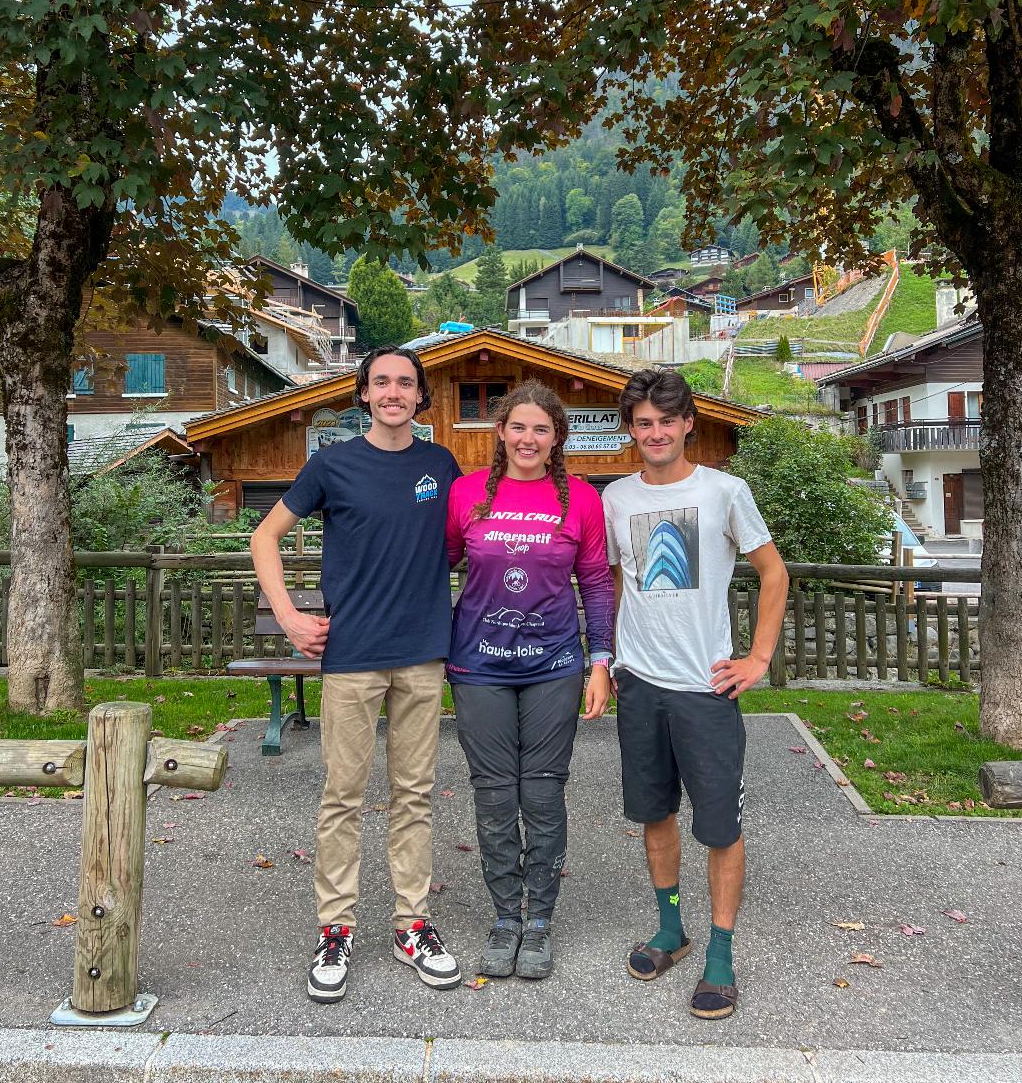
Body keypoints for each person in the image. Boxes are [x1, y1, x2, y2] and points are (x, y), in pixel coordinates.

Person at [249, 345, 463, 1004]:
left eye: (406, 383)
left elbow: (463, 544)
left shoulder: (441, 465)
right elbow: (264, 537)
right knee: (343, 796)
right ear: (364, 394)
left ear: (420, 397)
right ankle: (335, 930)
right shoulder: (332, 464)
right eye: (382, 382)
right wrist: (287, 616)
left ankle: (411, 926)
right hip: (351, 659)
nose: (394, 391)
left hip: (423, 654)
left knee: (413, 796)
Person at [602, 369, 788, 1020]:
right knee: (654, 816)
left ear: (687, 424)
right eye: (642, 422)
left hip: (705, 691)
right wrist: (610, 661)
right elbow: (620, 585)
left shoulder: (724, 491)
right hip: (640, 685)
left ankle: (720, 954)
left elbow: (773, 572)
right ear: (632, 429)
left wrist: (758, 657)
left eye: (666, 421)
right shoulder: (616, 498)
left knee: (719, 827)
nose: (654, 433)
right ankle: (671, 930)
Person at [445, 381, 614, 981]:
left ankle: (538, 920)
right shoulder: (466, 494)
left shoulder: (581, 502)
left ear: (557, 438)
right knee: (493, 794)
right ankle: (504, 919)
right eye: (518, 427)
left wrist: (601, 662)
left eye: (541, 429)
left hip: (553, 667)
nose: (528, 439)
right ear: (500, 433)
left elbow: (595, 583)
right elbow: (430, 567)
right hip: (478, 666)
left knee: (542, 793)